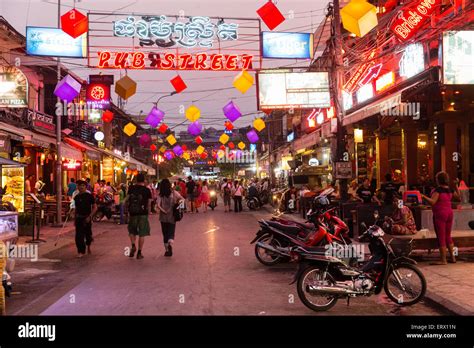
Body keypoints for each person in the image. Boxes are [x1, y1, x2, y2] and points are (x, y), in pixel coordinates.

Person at [421, 172, 460, 265]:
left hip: (440, 214)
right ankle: (453, 258)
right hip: (449, 213)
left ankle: (443, 260)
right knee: (448, 236)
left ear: (438, 180)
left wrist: (423, 196)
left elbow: (433, 202)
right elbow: (459, 198)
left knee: (441, 237)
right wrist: (456, 185)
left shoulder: (438, 190)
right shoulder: (450, 189)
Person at [125, 174, 152, 259]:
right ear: (144, 180)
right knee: (142, 233)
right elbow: (149, 203)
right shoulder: (147, 190)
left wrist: (126, 210)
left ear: (136, 180)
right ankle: (139, 253)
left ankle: (133, 245)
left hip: (133, 213)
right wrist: (148, 212)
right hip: (143, 214)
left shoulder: (131, 188)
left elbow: (127, 199)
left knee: (131, 231)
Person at [157, 178, 184, 257]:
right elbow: (182, 199)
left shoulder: (160, 194)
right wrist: (179, 207)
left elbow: (158, 205)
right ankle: (170, 242)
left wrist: (163, 210)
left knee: (165, 233)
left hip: (163, 217)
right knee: (171, 232)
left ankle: (167, 250)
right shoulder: (174, 192)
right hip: (172, 216)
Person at [73, 180, 97, 258]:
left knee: (88, 234)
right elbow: (76, 208)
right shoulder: (76, 197)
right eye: (80, 185)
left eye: (83, 185)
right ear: (77, 187)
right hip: (79, 218)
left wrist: (90, 217)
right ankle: (80, 251)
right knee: (78, 236)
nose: (81, 187)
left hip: (87, 218)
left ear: (85, 187)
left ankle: (88, 246)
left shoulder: (89, 196)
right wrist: (74, 218)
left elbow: (95, 207)